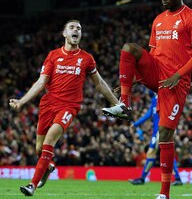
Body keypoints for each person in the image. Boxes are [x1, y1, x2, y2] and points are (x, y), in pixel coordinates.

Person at [102, 0, 192, 199]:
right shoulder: (158, 19)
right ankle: (125, 104)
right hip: (157, 71)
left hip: (176, 81)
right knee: (129, 49)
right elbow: (151, 56)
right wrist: (129, 80)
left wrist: (178, 75)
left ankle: (164, 194)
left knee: (165, 135)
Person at [9, 20, 127, 196]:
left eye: (79, 28)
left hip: (68, 107)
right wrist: (22, 101)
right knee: (39, 149)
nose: (76, 30)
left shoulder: (86, 58)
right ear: (64, 33)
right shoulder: (53, 56)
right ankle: (48, 167)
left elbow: (99, 84)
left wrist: (115, 103)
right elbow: (41, 82)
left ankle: (31, 185)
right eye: (72, 28)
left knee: (49, 141)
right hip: (48, 105)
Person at [128, 90, 183, 186]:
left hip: (161, 130)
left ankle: (142, 178)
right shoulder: (154, 100)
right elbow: (149, 114)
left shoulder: (165, 98)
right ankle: (177, 178)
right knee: (159, 153)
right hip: (156, 131)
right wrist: (136, 124)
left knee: (153, 153)